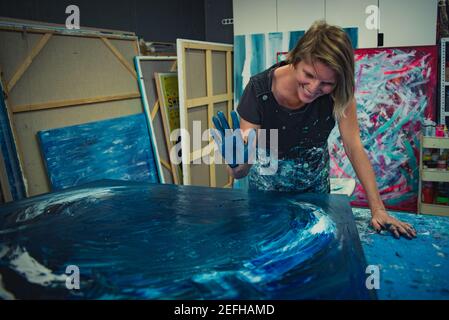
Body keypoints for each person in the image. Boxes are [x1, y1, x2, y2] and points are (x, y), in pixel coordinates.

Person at [212, 20, 416, 239]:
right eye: (308, 75)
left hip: (315, 196)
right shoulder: (259, 89)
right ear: (294, 59)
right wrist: (235, 162)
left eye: (326, 83)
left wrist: (378, 209)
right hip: (265, 197)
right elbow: (241, 170)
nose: (313, 88)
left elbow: (354, 147)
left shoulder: (339, 94)